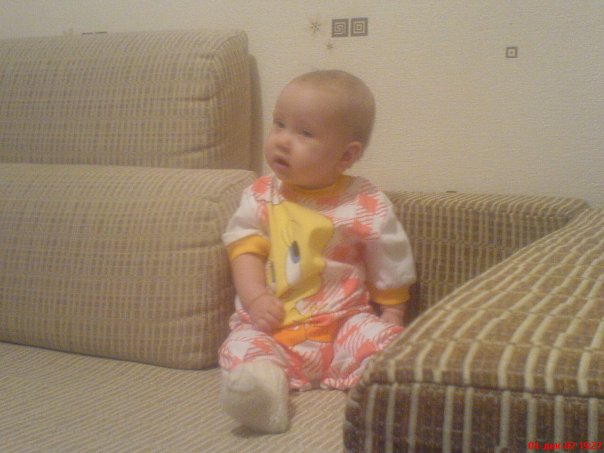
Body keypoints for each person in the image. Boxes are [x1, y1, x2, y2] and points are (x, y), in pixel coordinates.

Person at [218, 70, 416, 433]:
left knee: (386, 343)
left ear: (346, 155)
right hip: (271, 327)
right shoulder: (260, 196)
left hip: (342, 325)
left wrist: (392, 311)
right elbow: (243, 249)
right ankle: (263, 394)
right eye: (279, 124)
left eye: (304, 133)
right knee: (241, 347)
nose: (282, 140)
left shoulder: (364, 201)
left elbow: (389, 256)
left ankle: (384, 391)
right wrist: (255, 297)